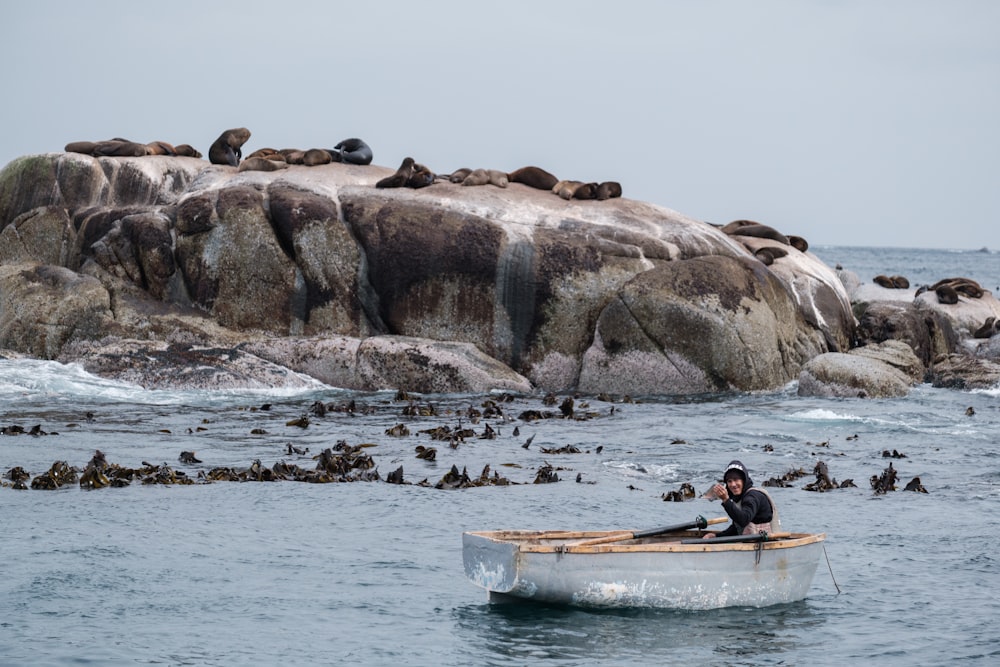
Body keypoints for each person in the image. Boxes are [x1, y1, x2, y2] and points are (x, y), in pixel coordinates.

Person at [702, 460, 781, 538]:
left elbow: (743, 520)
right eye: (729, 481)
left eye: (736, 480)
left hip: (768, 543)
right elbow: (737, 528)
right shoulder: (740, 497)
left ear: (744, 480)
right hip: (752, 541)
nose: (733, 484)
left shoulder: (752, 497)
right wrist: (716, 536)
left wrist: (726, 500)